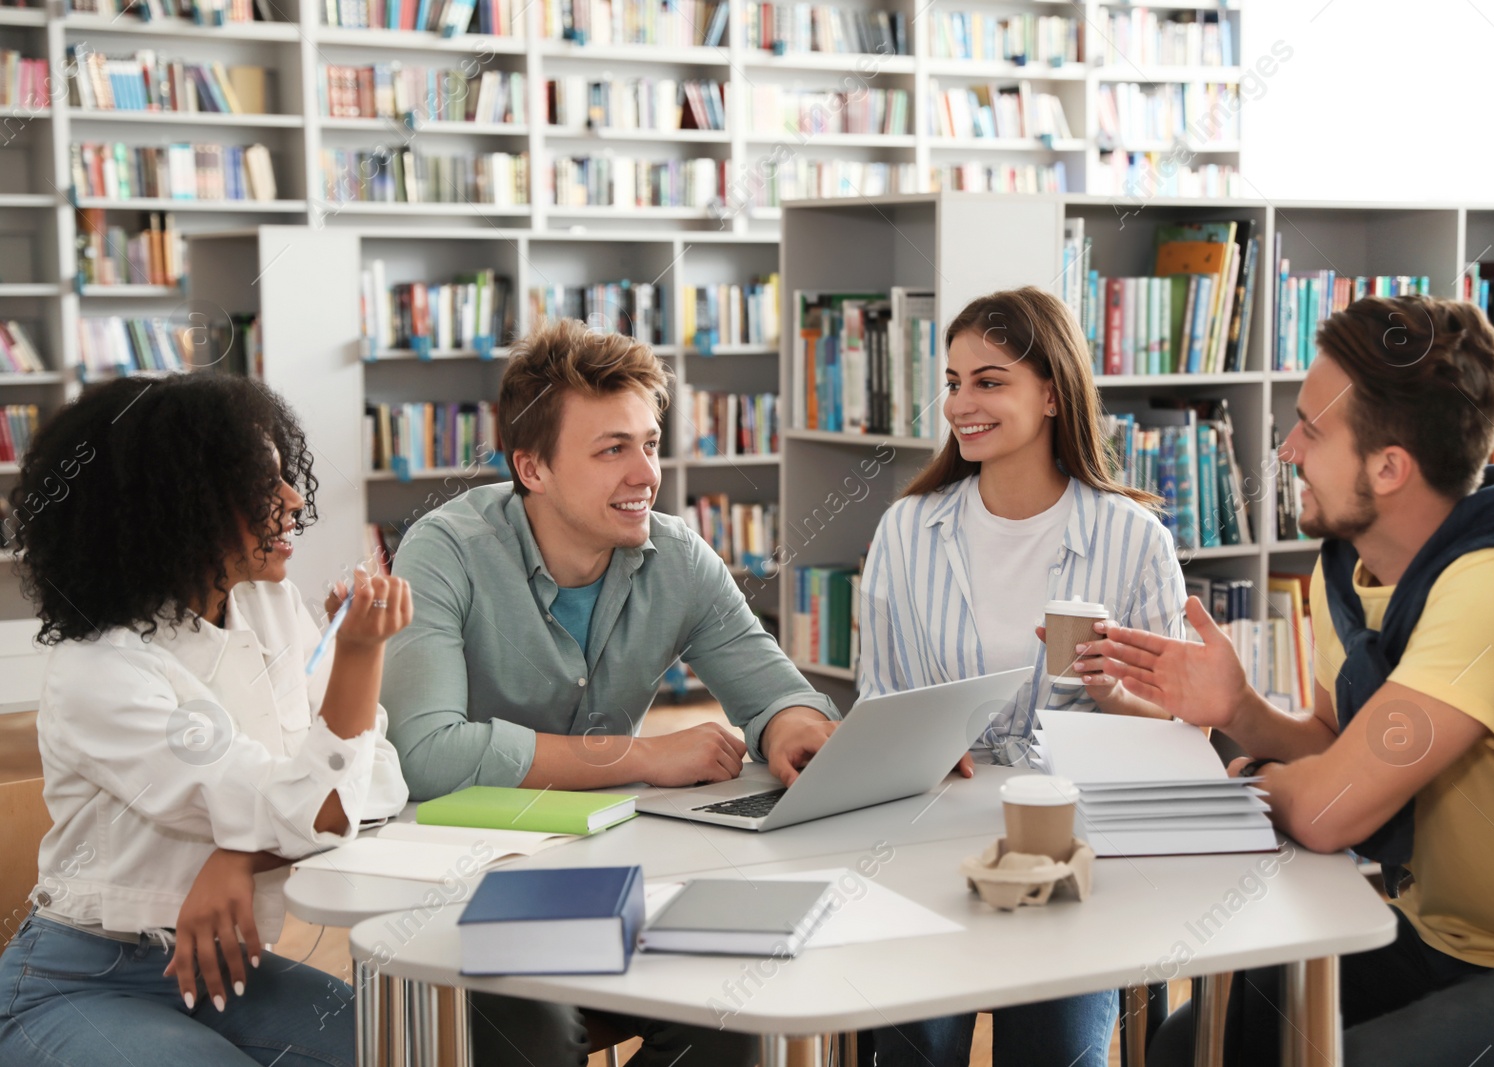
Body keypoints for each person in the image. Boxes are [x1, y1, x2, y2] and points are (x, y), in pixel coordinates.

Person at [1081, 296, 1494, 1065]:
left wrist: (1252, 781)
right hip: (1439, 933)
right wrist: (1241, 709)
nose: (1286, 449)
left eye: (1311, 430)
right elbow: (1335, 746)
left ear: (1389, 467)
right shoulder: (1357, 567)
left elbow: (1328, 811)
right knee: (1193, 1045)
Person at [381, 317, 843, 1067]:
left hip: (622, 870)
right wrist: (640, 755)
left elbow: (771, 687)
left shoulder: (676, 555)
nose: (645, 474)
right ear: (532, 468)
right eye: (612, 450)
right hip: (471, 881)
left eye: (650, 443)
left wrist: (793, 725)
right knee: (532, 1032)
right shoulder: (445, 550)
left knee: (738, 1013)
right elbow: (427, 754)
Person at [0, 374, 412, 1066]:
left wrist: (241, 853)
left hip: (218, 966)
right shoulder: (101, 672)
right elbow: (326, 807)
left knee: (395, 1047)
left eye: (286, 477)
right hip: (78, 979)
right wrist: (360, 655)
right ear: (175, 504)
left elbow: (381, 781)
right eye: (263, 484)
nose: (295, 500)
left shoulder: (265, 608)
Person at [855, 286, 1188, 1066]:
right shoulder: (908, 530)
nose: (961, 402)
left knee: (1058, 1052)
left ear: (1050, 391)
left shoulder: (1133, 540)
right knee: (912, 1048)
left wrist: (1120, 695)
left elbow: (1184, 733)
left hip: (1074, 846)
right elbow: (880, 701)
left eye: (989, 380)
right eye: (953, 381)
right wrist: (912, 745)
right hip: (929, 838)